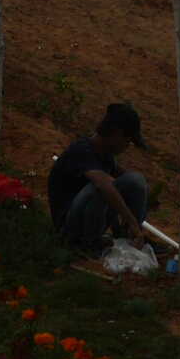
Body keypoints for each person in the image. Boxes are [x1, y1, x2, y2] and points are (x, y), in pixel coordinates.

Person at [47, 102, 150, 257]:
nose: (128, 147)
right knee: (101, 187)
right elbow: (101, 185)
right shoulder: (82, 149)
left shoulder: (104, 152)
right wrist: (131, 221)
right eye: (128, 141)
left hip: (88, 219)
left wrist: (146, 196)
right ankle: (88, 244)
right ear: (118, 133)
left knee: (136, 181)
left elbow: (125, 177)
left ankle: (131, 239)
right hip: (69, 227)